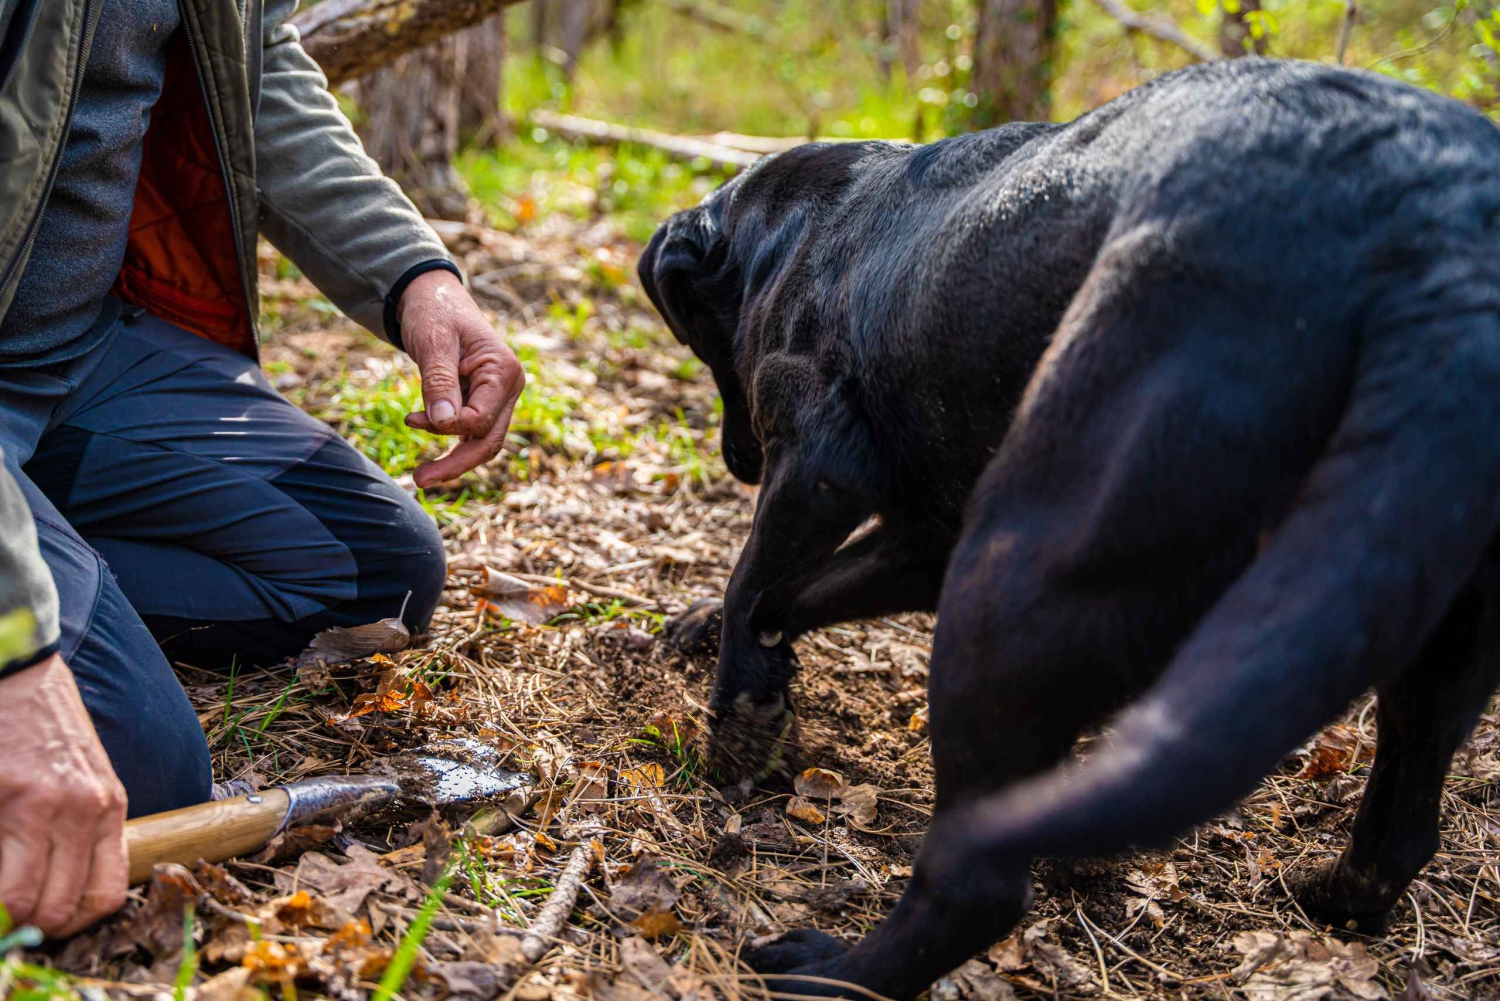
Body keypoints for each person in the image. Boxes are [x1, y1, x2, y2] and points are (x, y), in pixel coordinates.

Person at [0, 0, 525, 937]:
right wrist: (17, 650)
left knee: (369, 575)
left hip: (74, 349)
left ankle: (56, 557)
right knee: (145, 775)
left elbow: (252, 58)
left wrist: (416, 278)